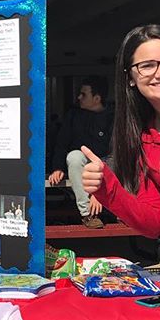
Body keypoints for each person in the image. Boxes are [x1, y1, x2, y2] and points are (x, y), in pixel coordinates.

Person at [83, 24, 160, 251]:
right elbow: (153, 224)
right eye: (147, 66)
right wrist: (108, 189)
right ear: (130, 78)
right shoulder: (142, 138)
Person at [48, 76, 114, 228]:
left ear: (97, 98)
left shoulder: (113, 118)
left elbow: (116, 155)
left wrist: (99, 194)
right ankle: (87, 215)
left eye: (83, 94)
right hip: (81, 165)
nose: (79, 97)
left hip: (106, 166)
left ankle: (115, 211)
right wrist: (57, 168)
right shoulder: (73, 116)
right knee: (74, 156)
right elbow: (62, 143)